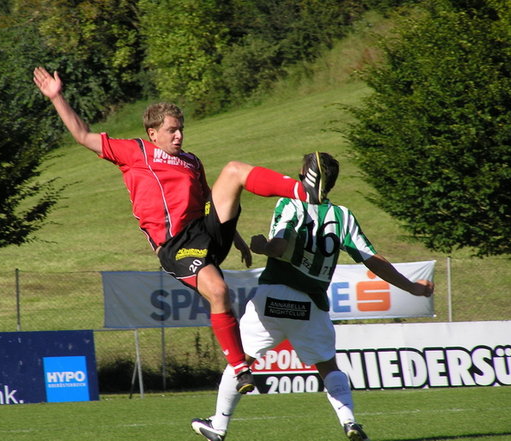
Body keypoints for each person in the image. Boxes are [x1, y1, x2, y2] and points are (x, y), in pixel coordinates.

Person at [33, 67, 330, 394]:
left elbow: (211, 201)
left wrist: (239, 239)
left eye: (181, 130)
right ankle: (241, 369)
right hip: (176, 246)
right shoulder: (135, 153)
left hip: (207, 232)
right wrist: (56, 96)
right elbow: (82, 135)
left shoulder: (191, 161)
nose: (179, 136)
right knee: (218, 291)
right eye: (172, 131)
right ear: (152, 133)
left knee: (232, 171)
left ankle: (305, 192)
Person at [191, 152, 434, 441]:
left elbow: (279, 247)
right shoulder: (342, 216)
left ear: (305, 175)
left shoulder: (290, 204)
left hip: (273, 298)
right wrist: (412, 287)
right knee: (329, 367)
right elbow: (373, 260)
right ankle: (350, 422)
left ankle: (219, 426)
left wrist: (261, 246)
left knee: (241, 361)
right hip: (310, 305)